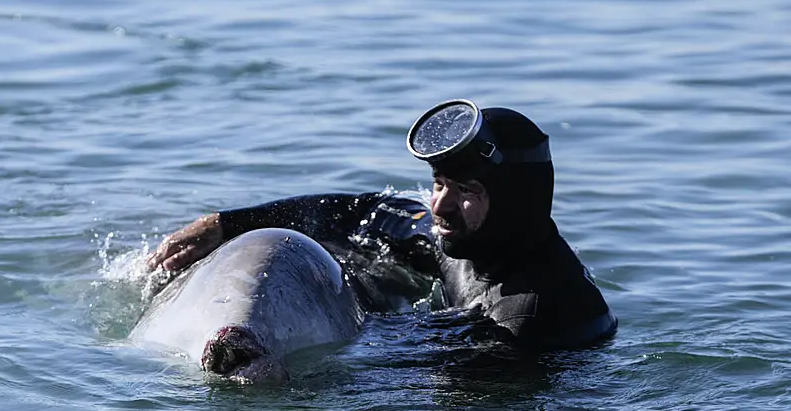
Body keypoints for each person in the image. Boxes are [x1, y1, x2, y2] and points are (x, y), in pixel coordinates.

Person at [148, 99, 618, 349]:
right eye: (439, 183)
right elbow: (361, 212)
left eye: (467, 191)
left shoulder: (525, 322)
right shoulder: (476, 240)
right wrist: (227, 225)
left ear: (516, 202)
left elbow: (404, 400)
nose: (440, 206)